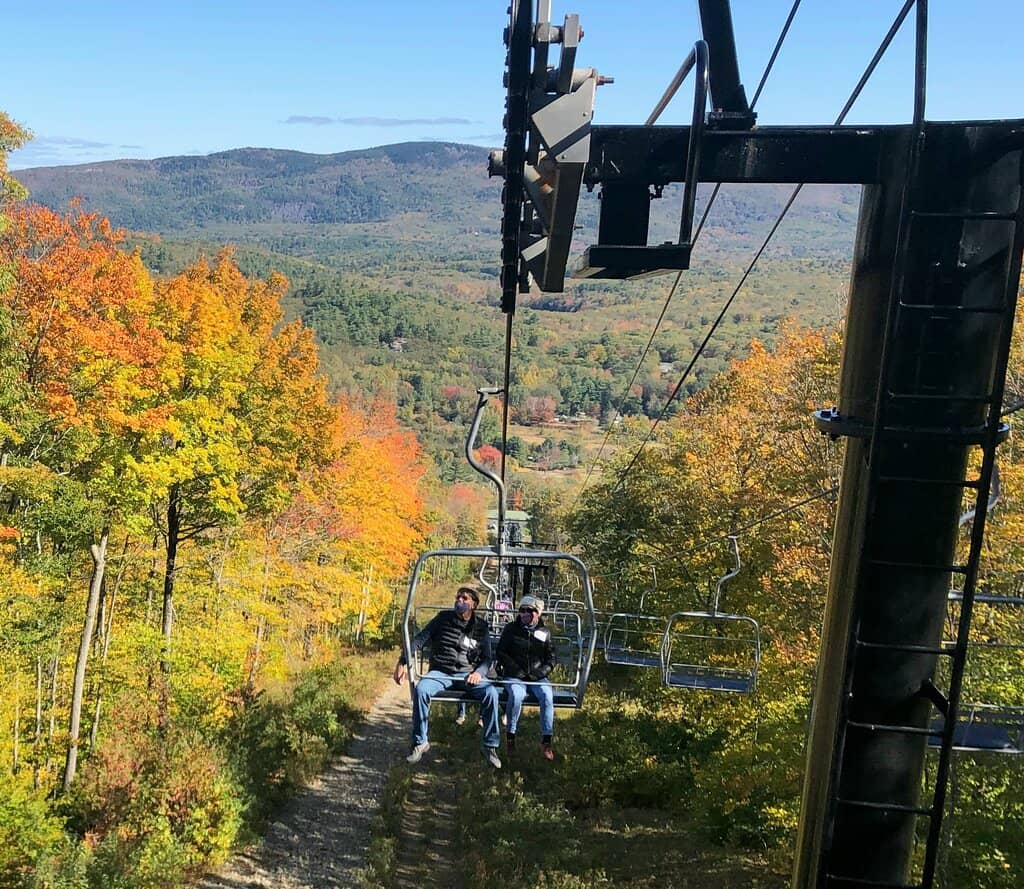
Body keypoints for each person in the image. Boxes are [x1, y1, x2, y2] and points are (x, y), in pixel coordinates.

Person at [393, 585, 502, 768]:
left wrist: (478, 673)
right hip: (441, 672)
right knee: (421, 690)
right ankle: (421, 741)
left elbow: (487, 658)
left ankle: (490, 745)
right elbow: (419, 640)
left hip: (468, 674)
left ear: (473, 604)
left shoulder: (480, 627)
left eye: (464, 599)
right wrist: (402, 661)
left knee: (491, 694)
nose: (460, 601)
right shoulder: (442, 619)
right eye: (458, 598)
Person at [496, 594, 556, 760]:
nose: (524, 614)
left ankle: (546, 740)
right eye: (521, 610)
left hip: (536, 675)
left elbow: (551, 658)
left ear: (537, 613)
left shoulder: (544, 632)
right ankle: (510, 736)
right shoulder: (511, 630)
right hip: (515, 675)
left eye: (528, 611)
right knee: (516, 695)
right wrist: (516, 671)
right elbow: (501, 652)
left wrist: (539, 674)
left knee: (547, 695)